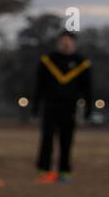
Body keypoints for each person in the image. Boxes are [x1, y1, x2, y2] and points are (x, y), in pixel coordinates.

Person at [32, 30, 93, 183]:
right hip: (50, 105)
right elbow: (39, 86)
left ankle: (64, 171)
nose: (66, 43)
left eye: (69, 40)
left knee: (67, 140)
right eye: (63, 40)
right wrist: (35, 106)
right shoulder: (48, 60)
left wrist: (88, 108)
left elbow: (87, 88)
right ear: (59, 42)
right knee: (47, 139)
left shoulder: (81, 63)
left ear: (74, 42)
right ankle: (43, 170)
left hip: (70, 107)